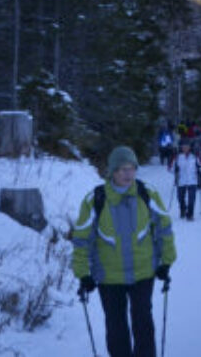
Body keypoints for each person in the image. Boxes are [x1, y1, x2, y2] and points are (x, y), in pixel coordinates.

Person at [71, 146, 176, 357]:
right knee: (116, 327)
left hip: (143, 272)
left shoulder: (147, 193)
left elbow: (164, 227)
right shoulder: (96, 199)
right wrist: (83, 273)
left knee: (143, 323)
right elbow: (82, 239)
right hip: (109, 276)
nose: (128, 174)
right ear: (112, 172)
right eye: (122, 169)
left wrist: (166, 261)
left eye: (132, 168)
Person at [173, 140, 201, 220]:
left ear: (189, 147)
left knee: (191, 199)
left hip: (192, 180)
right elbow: (171, 169)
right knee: (180, 198)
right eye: (184, 147)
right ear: (181, 148)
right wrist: (175, 170)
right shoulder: (178, 157)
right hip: (181, 180)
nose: (185, 148)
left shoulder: (194, 156)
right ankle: (183, 210)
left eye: (187, 146)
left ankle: (190, 214)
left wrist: (199, 172)